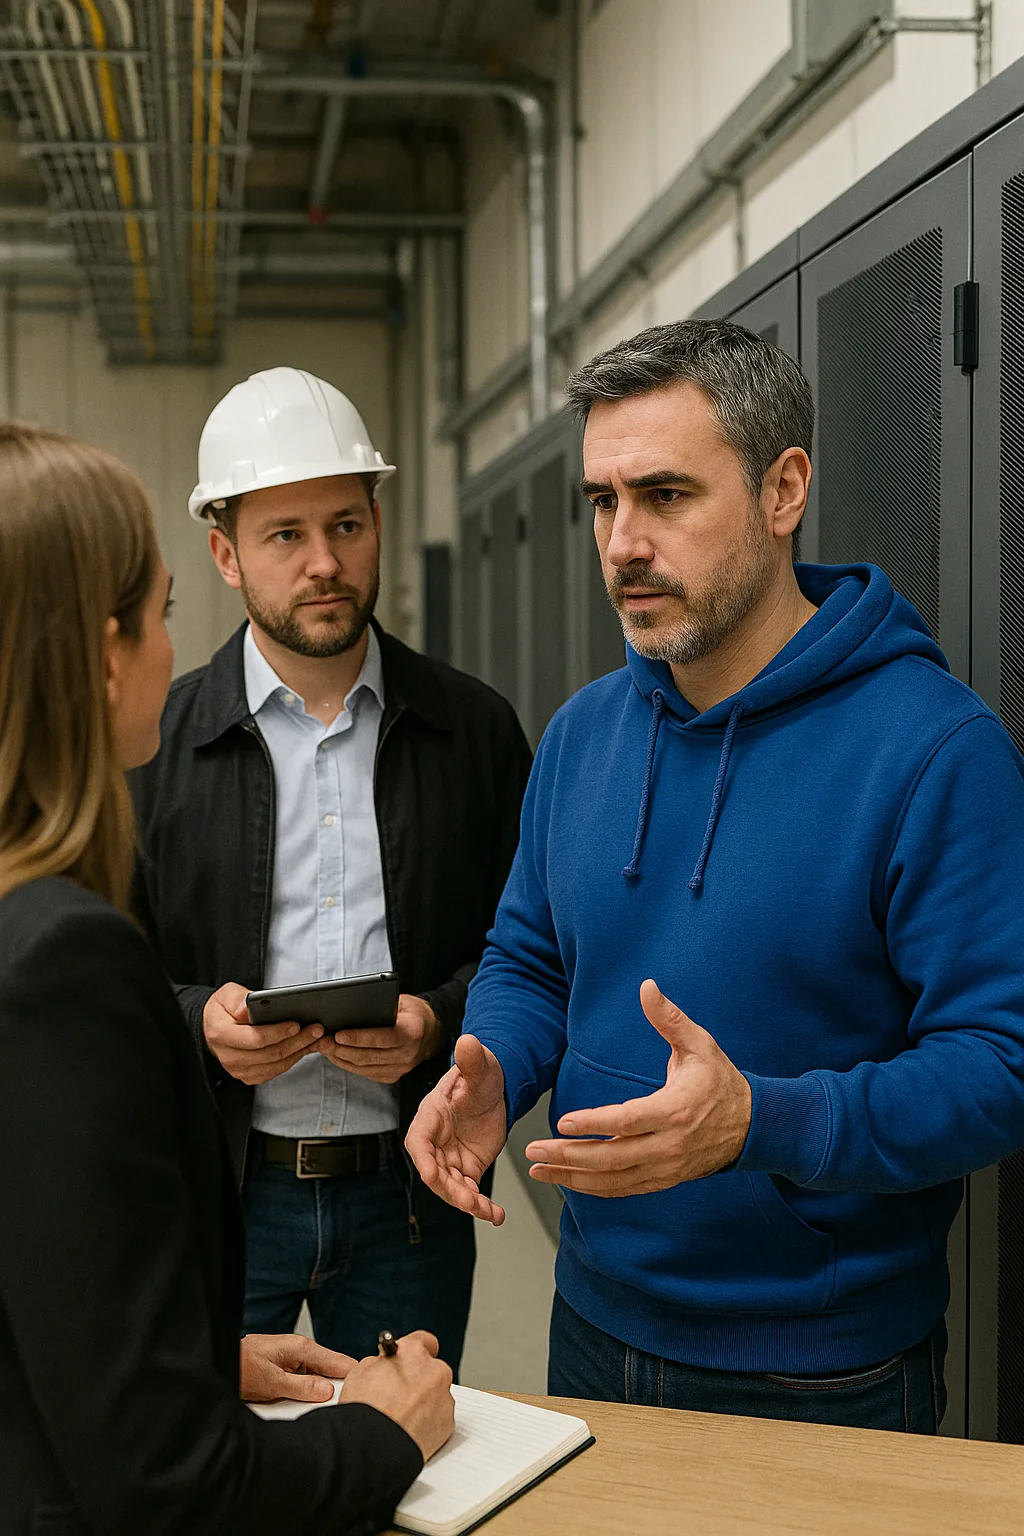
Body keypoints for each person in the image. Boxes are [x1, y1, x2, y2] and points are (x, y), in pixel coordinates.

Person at [406, 319, 1024, 1433]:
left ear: (783, 489)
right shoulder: (584, 734)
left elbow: (997, 1066)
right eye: (602, 501)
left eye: (665, 496)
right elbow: (531, 955)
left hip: (826, 1373)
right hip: (591, 1324)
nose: (621, 543)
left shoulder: (932, 749)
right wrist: (500, 1059)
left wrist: (762, 1122)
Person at [0, 423, 455, 1534]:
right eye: (157, 616)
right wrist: (383, 1432)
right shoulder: (63, 957)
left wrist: (192, 1359)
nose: (173, 648)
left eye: (345, 524)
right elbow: (172, 1487)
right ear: (103, 654)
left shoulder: (469, 730)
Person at [131, 368, 532, 1369]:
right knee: (213, 1483)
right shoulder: (155, 743)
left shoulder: (471, 731)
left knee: (407, 1477)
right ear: (224, 553)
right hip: (224, 1192)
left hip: (407, 1195)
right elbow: (108, 962)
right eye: (285, 536)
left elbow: (533, 948)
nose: (324, 563)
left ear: (377, 521)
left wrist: (435, 1016)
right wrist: (198, 1019)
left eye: (346, 525)